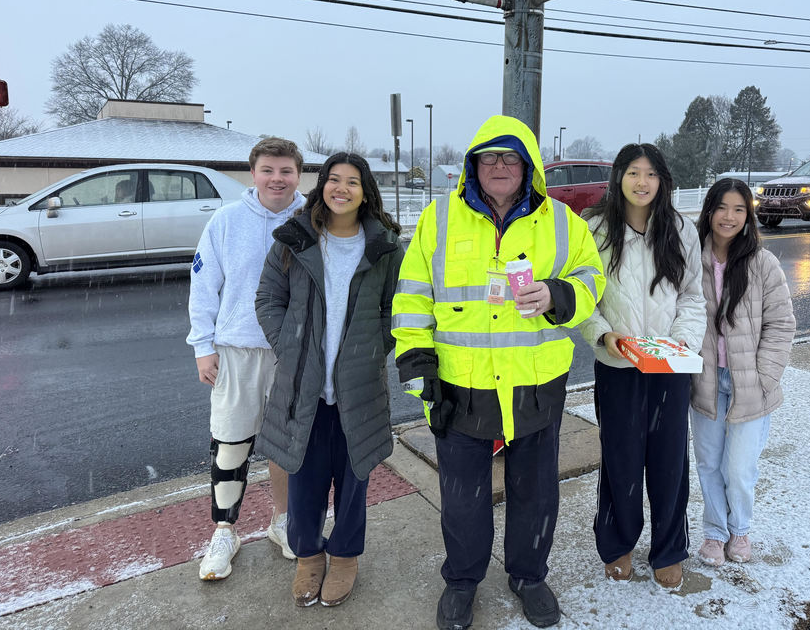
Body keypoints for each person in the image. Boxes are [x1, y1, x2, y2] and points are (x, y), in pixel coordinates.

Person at [393, 115, 605, 630]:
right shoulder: (438, 218)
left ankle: (529, 576)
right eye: (490, 157)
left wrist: (559, 293)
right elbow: (413, 295)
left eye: (511, 157)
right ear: (473, 165)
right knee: (463, 496)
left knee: (535, 492)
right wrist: (418, 363)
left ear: (528, 166)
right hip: (460, 385)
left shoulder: (561, 221)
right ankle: (462, 581)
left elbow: (592, 278)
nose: (500, 166)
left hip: (535, 384)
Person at [255, 152, 403, 608]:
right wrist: (291, 347)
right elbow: (268, 298)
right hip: (304, 388)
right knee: (303, 480)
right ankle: (309, 555)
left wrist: (371, 349)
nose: (342, 188)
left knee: (354, 478)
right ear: (322, 187)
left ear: (365, 191)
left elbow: (394, 311)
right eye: (334, 180)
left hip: (358, 388)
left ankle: (344, 557)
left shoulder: (384, 248)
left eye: (352, 181)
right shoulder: (296, 240)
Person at [578, 143, 706, 590]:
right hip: (617, 364)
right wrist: (603, 334)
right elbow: (583, 298)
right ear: (619, 178)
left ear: (662, 181)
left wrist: (683, 342)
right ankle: (617, 545)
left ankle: (669, 548)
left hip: (670, 367)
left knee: (670, 460)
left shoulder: (680, 229)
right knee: (621, 458)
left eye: (651, 174)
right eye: (633, 172)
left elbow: (692, 295)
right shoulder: (594, 228)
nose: (642, 182)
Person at [186, 137, 304, 580]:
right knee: (231, 443)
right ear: (252, 174)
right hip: (236, 348)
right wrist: (203, 346)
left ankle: (282, 520)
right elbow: (203, 285)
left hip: (292, 350)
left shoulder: (313, 219)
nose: (277, 179)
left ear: (298, 175)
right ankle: (224, 530)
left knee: (285, 443)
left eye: (286, 171)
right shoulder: (226, 220)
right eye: (268, 170)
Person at [692, 178, 796, 567]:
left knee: (739, 468)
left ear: (747, 215)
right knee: (708, 463)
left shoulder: (762, 263)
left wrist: (764, 377)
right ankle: (715, 533)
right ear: (709, 211)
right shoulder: (692, 260)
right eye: (722, 208)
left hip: (749, 385)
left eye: (739, 209)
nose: (729, 217)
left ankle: (740, 530)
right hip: (704, 381)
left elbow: (782, 324)